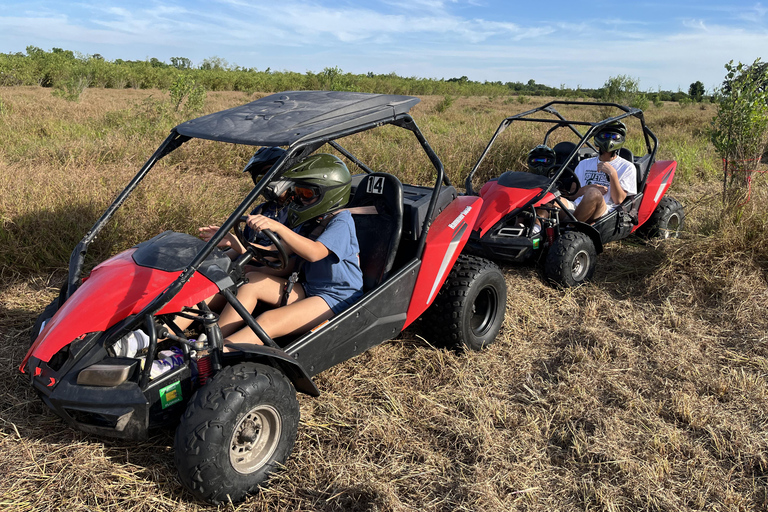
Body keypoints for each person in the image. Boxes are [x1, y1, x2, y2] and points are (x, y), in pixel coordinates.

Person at [215, 153, 364, 348]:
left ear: (330, 193)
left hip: (336, 295)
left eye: (307, 194)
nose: (300, 199)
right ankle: (212, 339)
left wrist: (279, 228)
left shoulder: (341, 221)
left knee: (269, 321)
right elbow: (275, 252)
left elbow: (315, 252)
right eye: (299, 192)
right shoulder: (311, 220)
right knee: (252, 282)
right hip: (309, 288)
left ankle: (213, 355)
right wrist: (238, 244)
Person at [560, 121, 637, 223]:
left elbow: (618, 200)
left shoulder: (627, 167)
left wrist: (612, 173)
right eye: (605, 135)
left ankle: (571, 227)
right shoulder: (584, 164)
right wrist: (586, 189)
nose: (609, 140)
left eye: (614, 137)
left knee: (593, 193)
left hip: (603, 212)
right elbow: (573, 196)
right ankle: (536, 229)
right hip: (576, 207)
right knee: (549, 197)